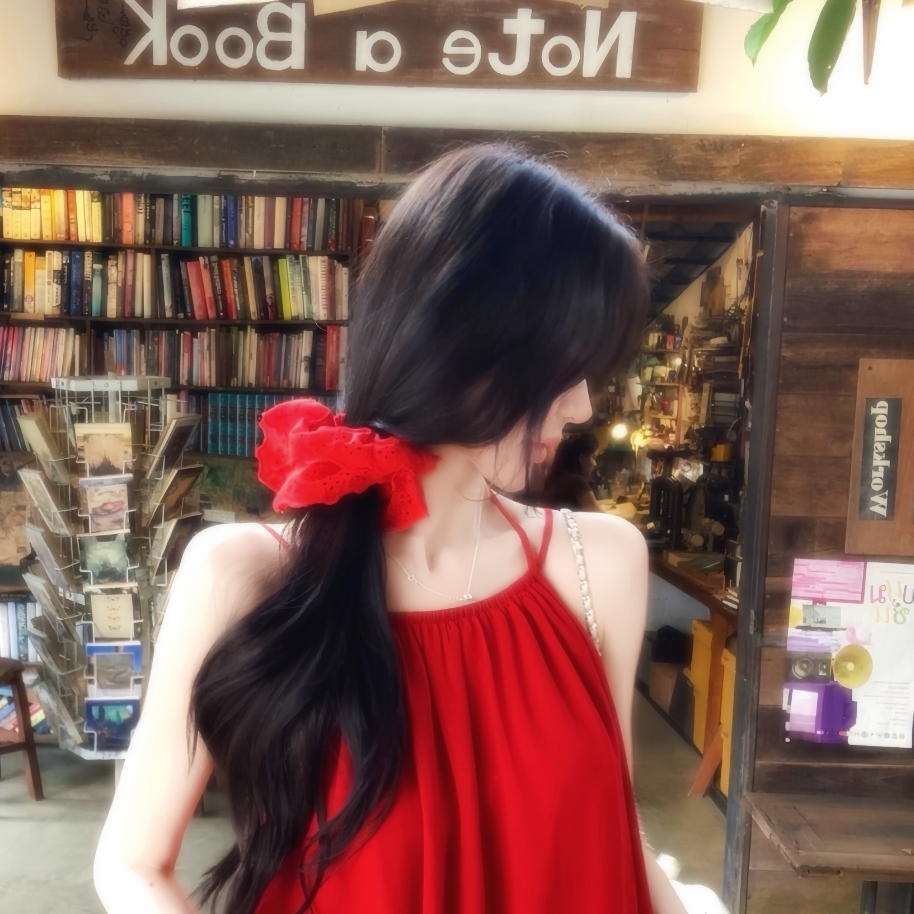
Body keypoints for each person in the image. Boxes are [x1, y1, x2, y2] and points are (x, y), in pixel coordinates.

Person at [94, 145, 688, 914]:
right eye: (562, 366)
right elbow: (134, 865)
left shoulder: (598, 561)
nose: (581, 407)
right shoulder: (247, 575)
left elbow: (614, 830)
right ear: (464, 341)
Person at [540, 432, 602, 511]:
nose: (595, 464)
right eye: (593, 457)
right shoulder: (576, 482)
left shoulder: (557, 479)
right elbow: (598, 514)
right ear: (581, 458)